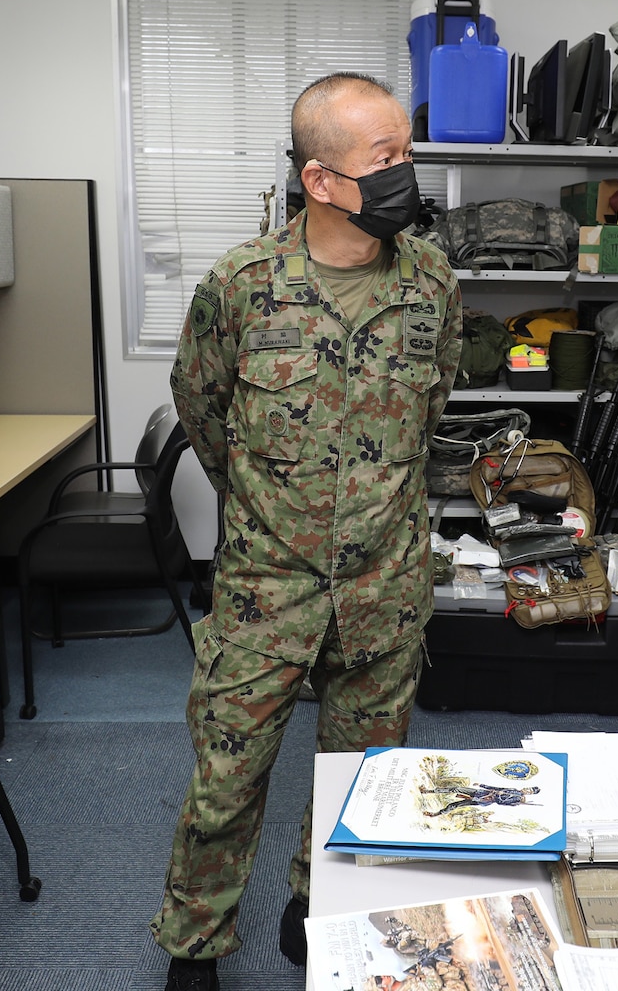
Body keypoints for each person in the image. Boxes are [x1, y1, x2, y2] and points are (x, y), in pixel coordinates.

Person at [157, 72, 462, 991]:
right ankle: (194, 944)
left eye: (408, 151)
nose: (410, 174)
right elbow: (202, 410)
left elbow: (433, 405)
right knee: (227, 779)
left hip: (386, 580)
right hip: (265, 587)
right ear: (321, 180)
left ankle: (315, 900)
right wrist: (272, 509)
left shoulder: (433, 282)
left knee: (363, 771)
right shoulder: (242, 287)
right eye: (388, 159)